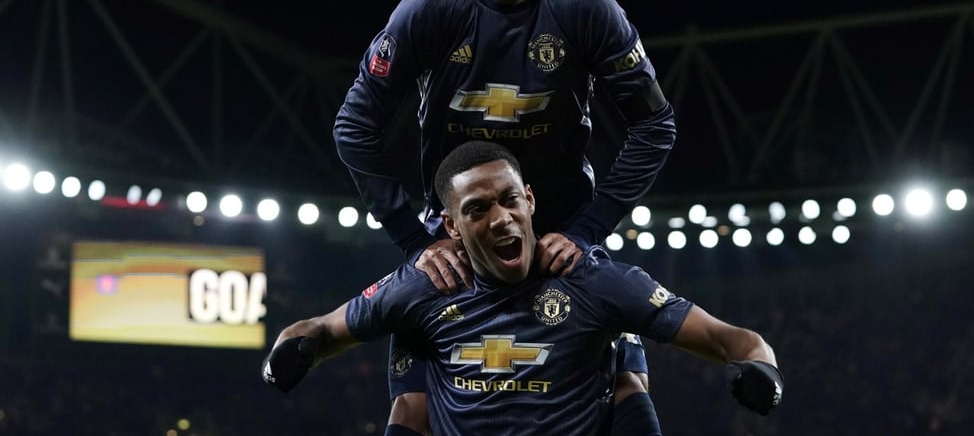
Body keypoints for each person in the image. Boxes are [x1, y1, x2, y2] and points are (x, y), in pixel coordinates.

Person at [333, 0, 677, 434]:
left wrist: (590, 228)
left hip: (562, 228)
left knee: (627, 383)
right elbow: (354, 125)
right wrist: (416, 242)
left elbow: (655, 123)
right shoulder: (429, 8)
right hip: (457, 239)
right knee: (411, 404)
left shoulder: (585, 7)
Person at [264, 141, 783, 435]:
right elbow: (317, 330)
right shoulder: (424, 286)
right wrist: (289, 354)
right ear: (451, 227)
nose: (501, 219)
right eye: (478, 209)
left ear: (530, 200)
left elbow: (732, 339)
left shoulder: (592, 279)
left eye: (510, 200)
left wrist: (762, 371)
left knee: (630, 381)